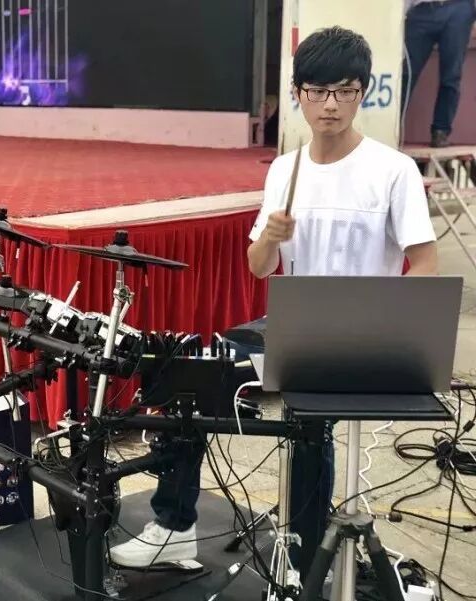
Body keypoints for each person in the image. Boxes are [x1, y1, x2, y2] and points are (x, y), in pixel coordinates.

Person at [109, 26, 438, 577]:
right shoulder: (287, 169)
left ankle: (305, 560)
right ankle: (174, 528)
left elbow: (425, 264)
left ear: (362, 93)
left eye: (345, 91)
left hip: (358, 332)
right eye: (317, 91)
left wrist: (390, 325)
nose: (330, 104)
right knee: (192, 377)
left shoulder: (392, 170)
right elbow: (258, 266)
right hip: (292, 322)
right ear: (298, 94)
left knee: (310, 422)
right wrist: (270, 237)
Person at [402, 0, 476, 148]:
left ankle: (441, 131)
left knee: (451, 76)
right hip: (420, 10)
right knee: (406, 73)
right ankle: (391, 124)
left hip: (458, 8)